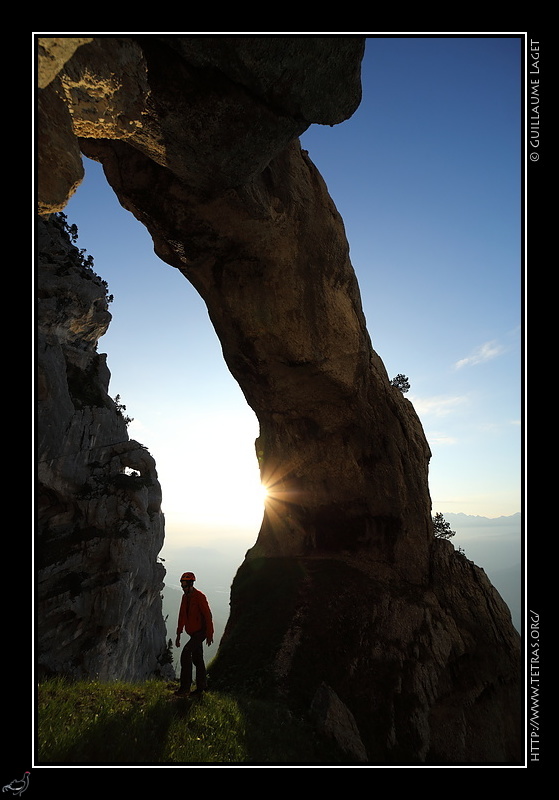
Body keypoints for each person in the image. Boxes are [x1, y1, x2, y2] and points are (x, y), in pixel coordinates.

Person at [174, 572, 214, 696]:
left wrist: (209, 633)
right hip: (193, 633)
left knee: (186, 652)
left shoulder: (199, 597)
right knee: (197, 658)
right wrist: (179, 634)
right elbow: (182, 615)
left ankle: (185, 687)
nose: (183, 588)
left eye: (185, 586)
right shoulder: (185, 597)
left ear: (191, 584)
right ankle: (201, 687)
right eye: (182, 586)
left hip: (200, 632)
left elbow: (208, 616)